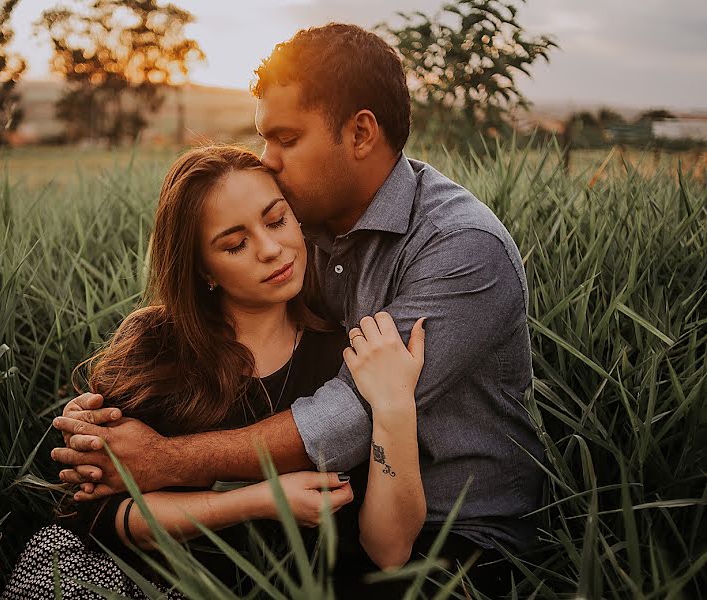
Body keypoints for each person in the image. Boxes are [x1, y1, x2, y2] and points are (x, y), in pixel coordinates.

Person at [53, 22, 545, 597]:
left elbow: (348, 416)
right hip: (327, 522)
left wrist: (163, 461)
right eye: (265, 138)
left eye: (286, 138)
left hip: (460, 534)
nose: (270, 160)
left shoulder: (462, 247)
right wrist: (99, 422)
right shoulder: (296, 221)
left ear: (361, 132)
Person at [3, 145, 427, 599]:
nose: (270, 249)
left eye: (277, 220)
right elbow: (100, 516)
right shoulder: (157, 345)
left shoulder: (345, 355)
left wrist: (395, 407)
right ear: (204, 269)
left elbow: (390, 550)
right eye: (236, 244)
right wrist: (257, 501)